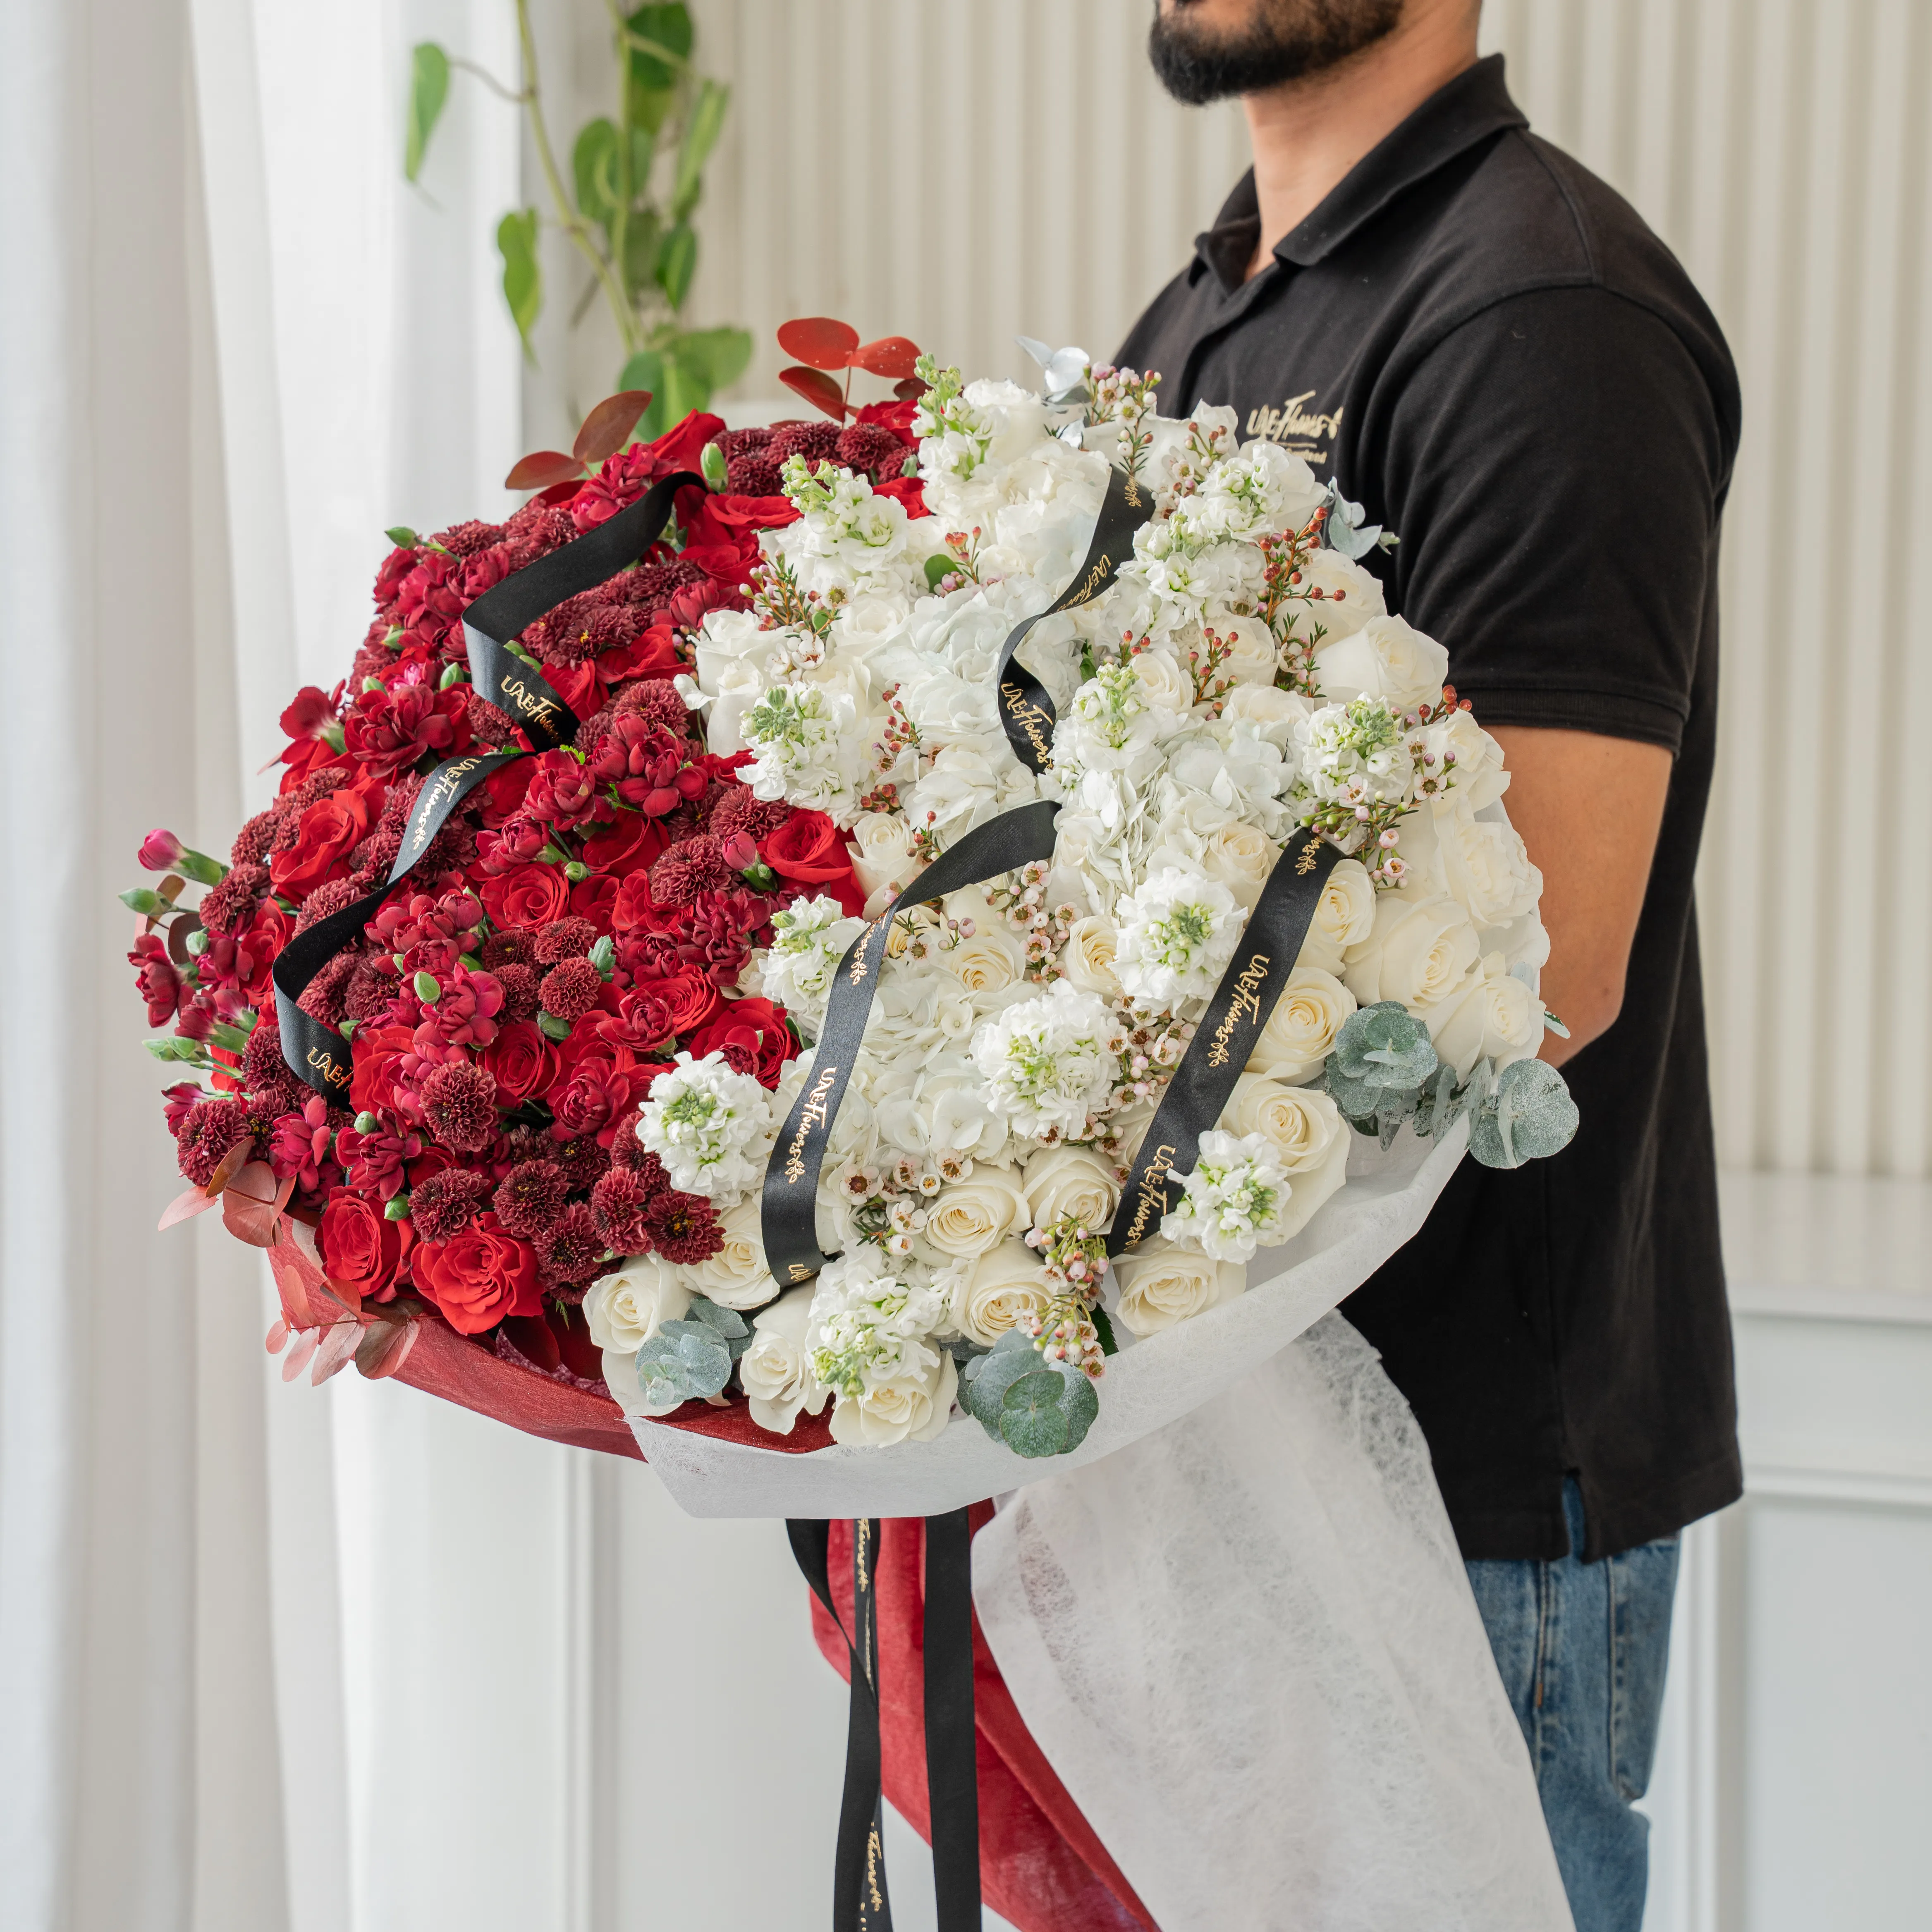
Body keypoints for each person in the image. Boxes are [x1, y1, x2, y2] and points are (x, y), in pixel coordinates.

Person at [1123, 5, 1743, 1929]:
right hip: (1210, 1445)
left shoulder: (1542, 309)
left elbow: (1546, 967)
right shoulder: (1200, 321)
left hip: (1453, 1480)